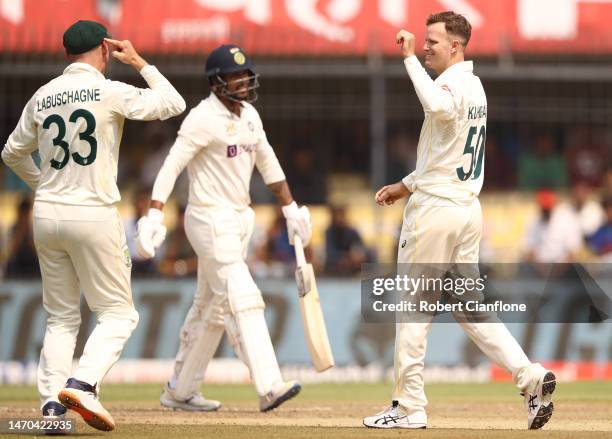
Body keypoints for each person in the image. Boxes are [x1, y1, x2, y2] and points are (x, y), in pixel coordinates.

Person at [363, 12, 556, 430]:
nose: (426, 46)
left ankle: (409, 407)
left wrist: (409, 59)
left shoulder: (448, 84)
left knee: (413, 309)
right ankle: (531, 377)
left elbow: (436, 105)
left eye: (433, 41)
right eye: (425, 41)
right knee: (472, 311)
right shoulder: (476, 85)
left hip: (435, 214)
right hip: (465, 210)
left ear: (456, 46)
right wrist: (406, 184)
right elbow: (445, 155)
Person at [1, 20, 185, 431]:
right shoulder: (110, 90)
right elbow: (172, 103)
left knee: (61, 317)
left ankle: (51, 408)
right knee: (118, 314)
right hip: (94, 213)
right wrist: (138, 61)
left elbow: (12, 153)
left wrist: (45, 183)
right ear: (105, 49)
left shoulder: (42, 96)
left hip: (47, 214)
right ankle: (83, 383)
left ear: (67, 54)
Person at [135, 44, 311, 412]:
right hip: (208, 219)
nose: (243, 81)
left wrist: (290, 207)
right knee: (243, 297)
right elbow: (171, 166)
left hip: (240, 219)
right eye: (235, 75)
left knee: (211, 310)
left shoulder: (250, 116)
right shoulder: (202, 118)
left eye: (246, 74)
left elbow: (269, 163)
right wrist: (154, 213)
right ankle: (269, 386)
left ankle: (180, 391)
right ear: (216, 82)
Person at [324, 205, 369, 275]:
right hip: (335, 270)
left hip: (353, 270)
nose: (339, 219)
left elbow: (360, 250)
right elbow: (330, 254)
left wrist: (356, 256)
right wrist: (346, 258)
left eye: (341, 215)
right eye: (337, 216)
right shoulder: (329, 232)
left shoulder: (353, 232)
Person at [5, 195, 39, 278]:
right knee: (10, 264)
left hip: (32, 263)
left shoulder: (33, 228)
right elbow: (11, 252)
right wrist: (20, 231)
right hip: (18, 263)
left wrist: (28, 232)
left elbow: (37, 253)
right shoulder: (13, 228)